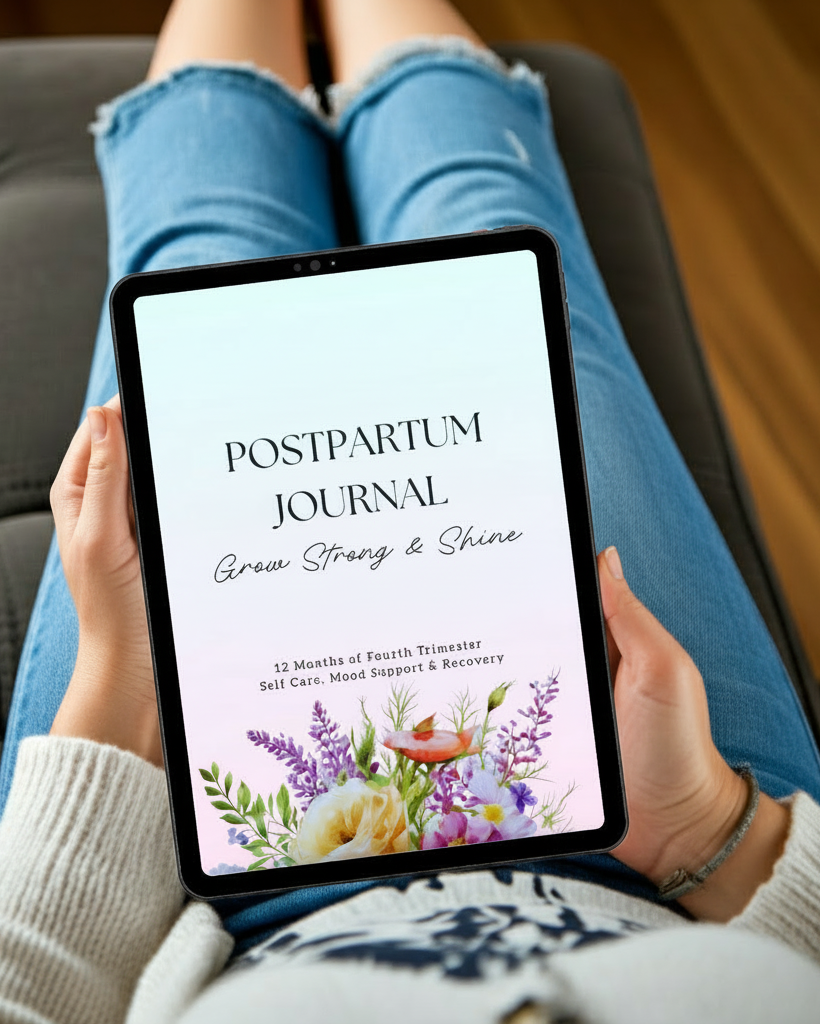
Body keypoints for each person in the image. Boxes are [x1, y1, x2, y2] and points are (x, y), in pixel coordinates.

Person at [1, 1, 820, 1021]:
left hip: (216, 896)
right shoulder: (690, 815)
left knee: (201, 264)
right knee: (494, 235)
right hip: (667, 834)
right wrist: (704, 825)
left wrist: (124, 679)